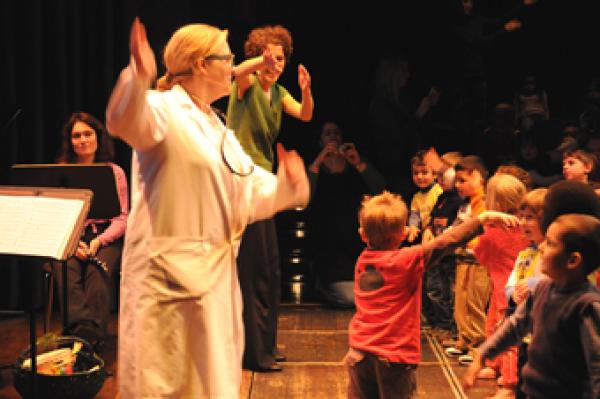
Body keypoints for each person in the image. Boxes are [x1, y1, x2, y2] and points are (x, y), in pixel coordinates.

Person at [105, 18, 309, 398]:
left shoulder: (217, 126)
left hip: (213, 282)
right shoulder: (162, 108)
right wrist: (139, 73)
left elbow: (247, 187)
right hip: (167, 284)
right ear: (201, 64)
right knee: (165, 385)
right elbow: (123, 119)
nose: (233, 66)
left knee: (210, 385)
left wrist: (285, 187)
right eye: (227, 57)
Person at [345, 191, 519, 399]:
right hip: (392, 356)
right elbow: (445, 242)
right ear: (403, 234)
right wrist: (480, 219)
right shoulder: (407, 260)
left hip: (358, 353)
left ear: (362, 234)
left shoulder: (363, 261)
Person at [226, 24, 313, 372]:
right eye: (268, 56)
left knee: (270, 268)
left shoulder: (278, 93)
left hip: (263, 185)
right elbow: (235, 71)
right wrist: (255, 63)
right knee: (254, 269)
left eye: (279, 58)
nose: (274, 63)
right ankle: (254, 353)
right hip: (241, 181)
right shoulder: (244, 85)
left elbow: (306, 114)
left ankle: (267, 345)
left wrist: (306, 91)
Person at [463, 213, 600, 399]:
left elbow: (596, 365)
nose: (541, 248)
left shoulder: (587, 306)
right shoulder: (542, 288)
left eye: (550, 243)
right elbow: (514, 327)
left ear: (573, 261)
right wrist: (483, 354)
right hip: (533, 391)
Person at [53, 111, 128, 349]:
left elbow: (122, 217)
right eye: (76, 136)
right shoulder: (60, 171)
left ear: (98, 137)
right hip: (69, 237)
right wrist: (73, 244)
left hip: (105, 237)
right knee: (65, 268)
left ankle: (86, 337)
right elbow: (57, 216)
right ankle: (84, 331)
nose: (83, 140)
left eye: (88, 133)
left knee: (97, 271)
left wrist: (98, 242)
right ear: (70, 141)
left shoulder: (114, 171)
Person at [308, 121, 386, 308]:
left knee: (376, 293)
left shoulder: (354, 165)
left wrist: (358, 162)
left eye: (336, 133)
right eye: (328, 134)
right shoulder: (315, 166)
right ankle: (322, 287)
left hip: (355, 242)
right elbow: (303, 197)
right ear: (320, 140)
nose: (333, 137)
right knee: (351, 298)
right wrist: (319, 160)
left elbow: (381, 189)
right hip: (328, 246)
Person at [471, 174, 529, 398]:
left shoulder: (492, 231)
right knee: (495, 325)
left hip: (505, 287)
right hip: (512, 285)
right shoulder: (525, 227)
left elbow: (480, 255)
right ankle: (494, 364)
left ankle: (510, 378)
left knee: (505, 330)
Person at [444, 156, 491, 366]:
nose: (458, 185)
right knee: (461, 301)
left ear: (478, 177)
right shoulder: (465, 205)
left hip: (479, 260)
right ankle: (465, 339)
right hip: (463, 258)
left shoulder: (486, 203)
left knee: (475, 303)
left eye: (463, 180)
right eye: (457, 181)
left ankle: (478, 346)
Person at [504, 188, 547, 399]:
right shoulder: (525, 254)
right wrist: (513, 294)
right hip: (528, 335)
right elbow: (511, 284)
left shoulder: (556, 253)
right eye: (522, 217)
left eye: (530, 218)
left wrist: (533, 283)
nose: (523, 222)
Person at [406, 150, 443, 244]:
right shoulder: (416, 197)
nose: (419, 176)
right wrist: (413, 227)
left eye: (424, 172)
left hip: (440, 233)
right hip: (426, 237)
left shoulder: (439, 190)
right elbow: (415, 216)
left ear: (434, 174)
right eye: (415, 173)